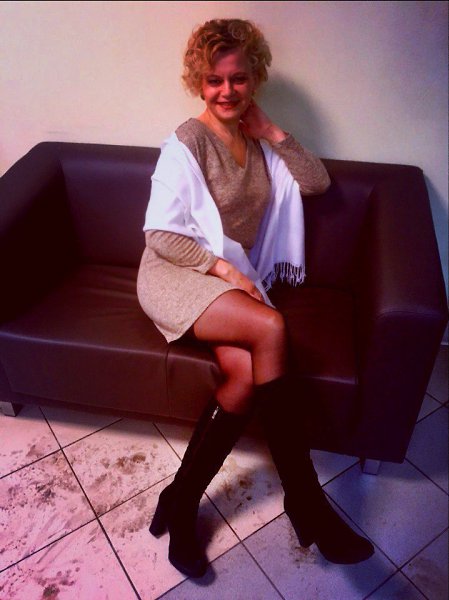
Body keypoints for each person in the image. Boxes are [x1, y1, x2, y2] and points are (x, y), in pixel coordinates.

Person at [137, 18, 374, 578]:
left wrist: (271, 131)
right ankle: (307, 502)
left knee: (243, 372)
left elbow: (315, 182)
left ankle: (180, 499)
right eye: (214, 80)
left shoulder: (254, 140)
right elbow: (161, 236)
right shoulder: (187, 142)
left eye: (238, 79)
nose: (227, 91)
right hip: (176, 274)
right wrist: (225, 270)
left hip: (224, 277)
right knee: (271, 327)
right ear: (199, 82)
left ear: (255, 79)